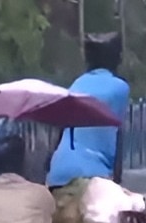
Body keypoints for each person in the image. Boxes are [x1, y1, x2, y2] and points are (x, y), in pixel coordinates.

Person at [46, 32, 130, 187]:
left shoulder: (76, 85)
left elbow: (60, 132)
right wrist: (117, 185)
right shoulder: (120, 88)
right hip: (93, 177)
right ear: (117, 59)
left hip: (57, 174)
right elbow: (118, 137)